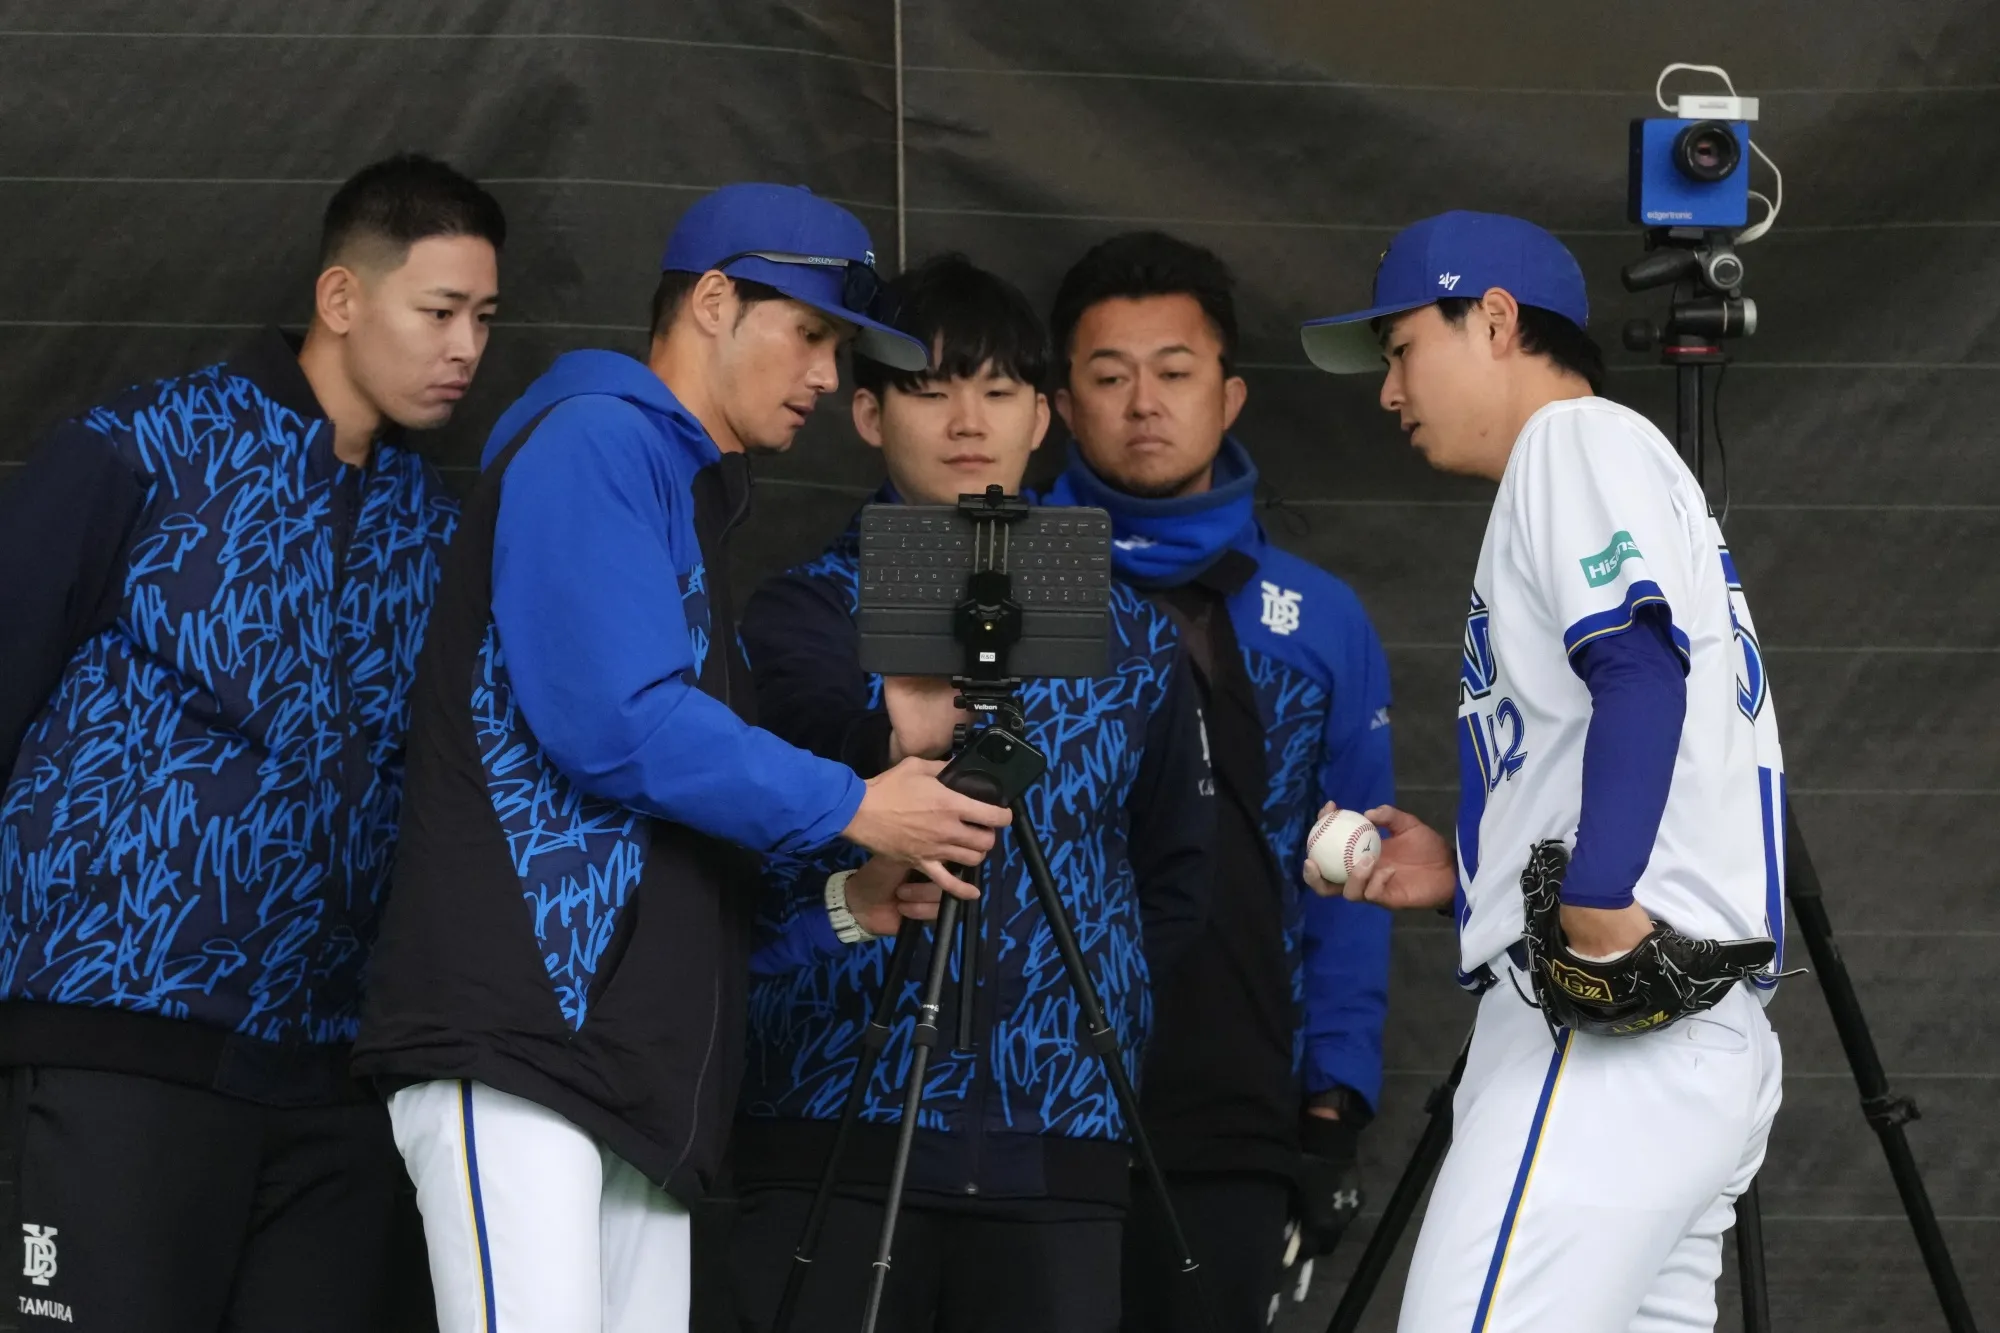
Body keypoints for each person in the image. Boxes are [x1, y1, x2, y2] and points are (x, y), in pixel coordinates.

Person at [350, 187, 1014, 1333]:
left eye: (838, 348)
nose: (823, 373)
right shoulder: (598, 437)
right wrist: (857, 800)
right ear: (713, 301)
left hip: (625, 1083)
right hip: (516, 1047)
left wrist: (847, 903)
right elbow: (617, 726)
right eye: (808, 333)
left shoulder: (683, 495)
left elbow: (667, 857)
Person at [0, 153, 502, 1333]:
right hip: (116, 1030)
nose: (467, 347)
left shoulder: (435, 529)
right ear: (341, 299)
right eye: (438, 311)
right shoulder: (146, 446)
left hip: (330, 1074)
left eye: (485, 317)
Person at [1298, 210, 1786, 1332]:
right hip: (1687, 1043)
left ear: (1495, 319)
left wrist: (1597, 901)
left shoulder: (1572, 443)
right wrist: (1472, 866)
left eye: (1400, 348)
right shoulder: (1612, 465)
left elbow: (1636, 672)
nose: (1387, 390)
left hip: (1614, 1043)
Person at [727, 253, 1214, 1333]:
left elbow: (1174, 877)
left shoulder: (1134, 635)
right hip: (829, 1123)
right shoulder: (797, 615)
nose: (966, 419)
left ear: (1042, 416)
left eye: (998, 390)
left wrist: (1089, 1001)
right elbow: (747, 840)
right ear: (864, 410)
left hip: (1062, 1138)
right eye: (929, 386)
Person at [1038, 231, 1396, 1331]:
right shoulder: (1009, 579)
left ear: (1229, 394)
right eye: (1108, 375)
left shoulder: (1319, 616)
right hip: (1023, 1102)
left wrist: (1331, 1098)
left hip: (1235, 1102)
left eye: (1174, 371)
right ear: (1059, 400)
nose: (1142, 402)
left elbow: (1356, 870)